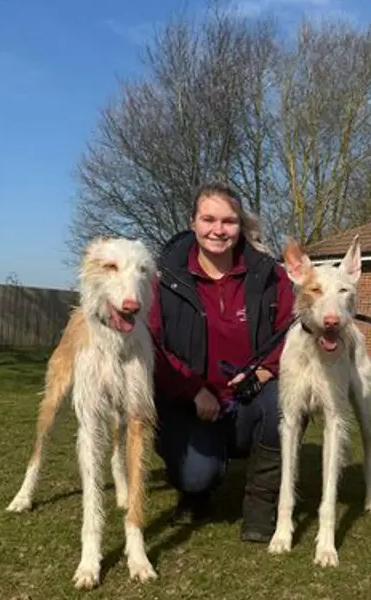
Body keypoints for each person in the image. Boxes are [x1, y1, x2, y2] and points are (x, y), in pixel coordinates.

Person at [147, 181, 295, 543]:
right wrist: (193, 389)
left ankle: (261, 506)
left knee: (282, 404)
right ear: (193, 222)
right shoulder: (161, 278)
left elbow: (292, 328)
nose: (218, 230)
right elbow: (152, 344)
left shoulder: (270, 275)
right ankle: (195, 489)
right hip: (188, 401)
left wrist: (264, 370)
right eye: (208, 219)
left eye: (228, 221)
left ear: (240, 225)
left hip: (249, 397)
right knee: (197, 475)